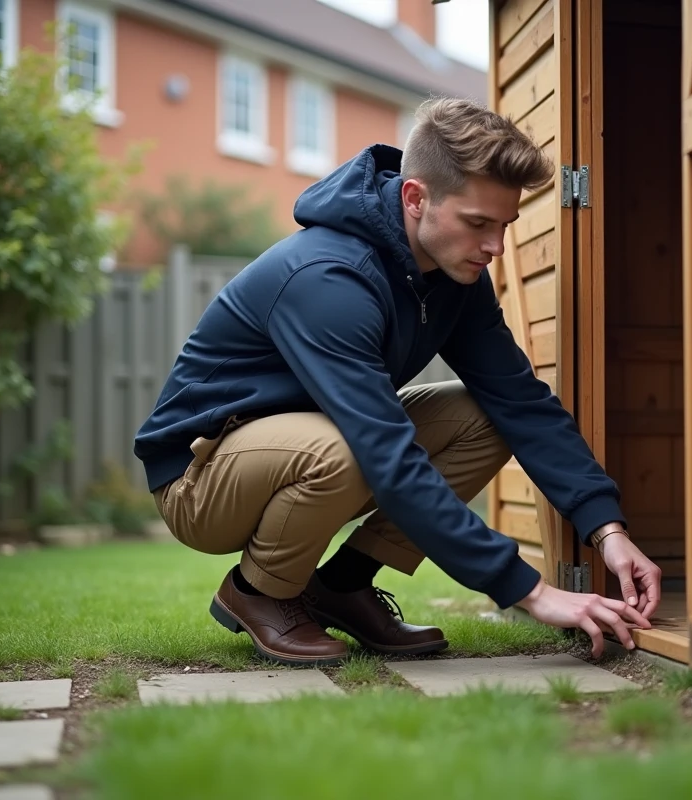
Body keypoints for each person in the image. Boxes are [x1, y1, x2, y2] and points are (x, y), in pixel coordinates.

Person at [134, 97, 662, 668]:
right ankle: (259, 593)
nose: (495, 248)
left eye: (504, 226)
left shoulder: (454, 276)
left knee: (483, 417)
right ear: (416, 197)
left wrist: (604, 527)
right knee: (344, 450)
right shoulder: (328, 279)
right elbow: (386, 454)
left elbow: (520, 401)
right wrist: (531, 591)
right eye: (478, 224)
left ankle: (342, 585)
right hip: (200, 477)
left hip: (311, 444)